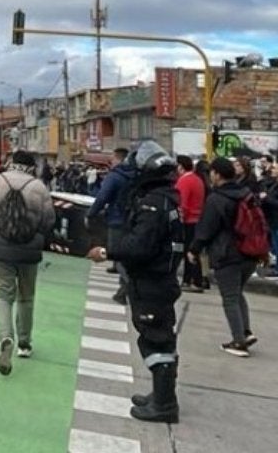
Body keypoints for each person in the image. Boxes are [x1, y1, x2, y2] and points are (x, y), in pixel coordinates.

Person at [87, 140, 183, 424]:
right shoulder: (167, 199)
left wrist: (107, 252)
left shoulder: (153, 205)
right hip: (158, 279)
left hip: (151, 280)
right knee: (156, 336)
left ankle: (165, 404)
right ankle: (161, 396)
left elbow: (140, 246)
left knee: (156, 340)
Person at [0, 150, 55, 375]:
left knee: (4, 295)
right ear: (31, 166)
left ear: (12, 163)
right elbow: (49, 220)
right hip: (28, 249)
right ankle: (24, 343)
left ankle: (6, 337)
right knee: (26, 296)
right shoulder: (39, 187)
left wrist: (1, 225)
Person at [188, 157, 258, 358]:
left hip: (227, 253)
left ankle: (238, 341)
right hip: (250, 252)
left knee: (229, 297)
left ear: (217, 174)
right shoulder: (246, 194)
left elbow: (206, 229)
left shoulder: (217, 199)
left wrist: (194, 249)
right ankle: (245, 332)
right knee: (237, 293)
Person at [88, 148, 136, 303]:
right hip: (132, 220)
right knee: (125, 254)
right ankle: (122, 292)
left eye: (112, 159)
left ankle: (130, 286)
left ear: (118, 159)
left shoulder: (115, 176)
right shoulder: (135, 175)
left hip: (116, 219)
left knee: (118, 254)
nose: (111, 162)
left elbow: (102, 197)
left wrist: (90, 214)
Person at [176, 155, 207, 292]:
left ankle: (194, 280)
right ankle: (189, 280)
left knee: (189, 252)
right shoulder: (197, 180)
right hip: (197, 219)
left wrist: (179, 220)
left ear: (180, 167)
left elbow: (182, 204)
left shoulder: (184, 181)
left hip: (188, 220)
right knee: (191, 251)